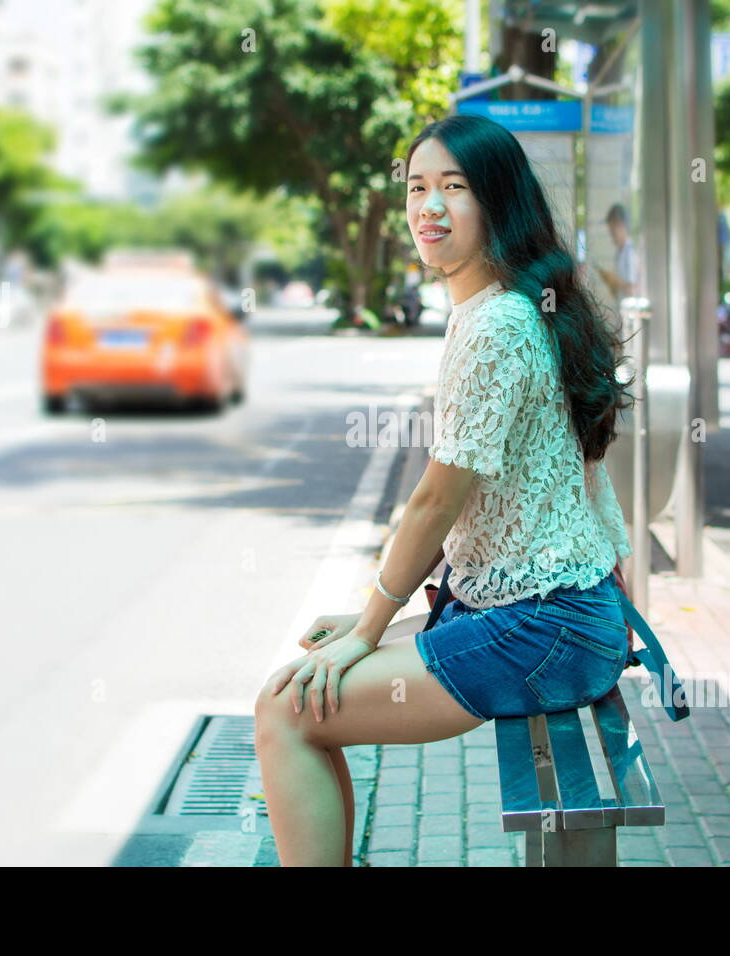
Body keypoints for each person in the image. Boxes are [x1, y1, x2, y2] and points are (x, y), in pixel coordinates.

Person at [254, 113, 637, 866]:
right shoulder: (510, 304)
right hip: (548, 614)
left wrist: (373, 627)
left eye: (453, 188)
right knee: (302, 690)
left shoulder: (498, 322)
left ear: (496, 202)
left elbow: (438, 498)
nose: (428, 206)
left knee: (286, 710)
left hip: (544, 627)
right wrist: (376, 626)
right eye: (417, 187)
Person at [596, 203, 639, 300]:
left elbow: (632, 291)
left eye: (613, 232)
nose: (612, 237)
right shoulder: (620, 253)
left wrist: (614, 280)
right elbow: (618, 293)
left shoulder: (630, 253)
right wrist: (610, 282)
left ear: (622, 225)